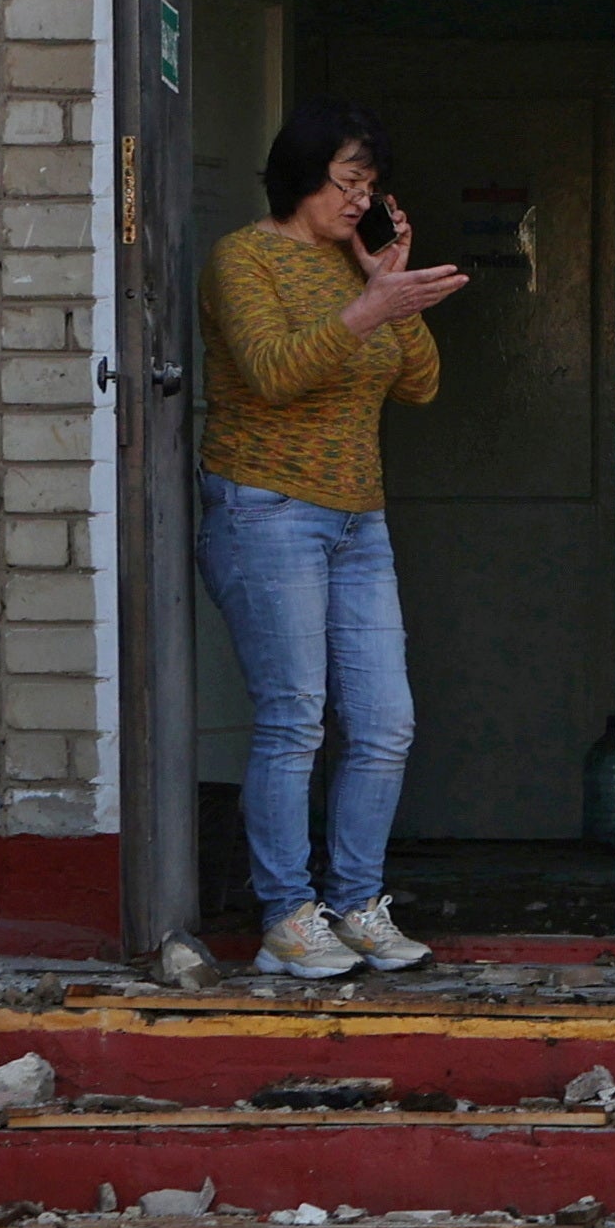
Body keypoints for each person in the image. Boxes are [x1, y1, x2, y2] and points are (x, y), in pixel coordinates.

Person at [198, 101, 465, 978]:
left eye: (371, 185)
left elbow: (421, 385)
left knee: (387, 722)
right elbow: (273, 371)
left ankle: (356, 905)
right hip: (267, 508)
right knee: (294, 720)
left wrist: (387, 285)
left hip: (358, 519)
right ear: (301, 174)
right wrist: (367, 306)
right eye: (348, 181)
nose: (360, 199)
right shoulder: (245, 257)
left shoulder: (360, 269)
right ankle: (286, 917)